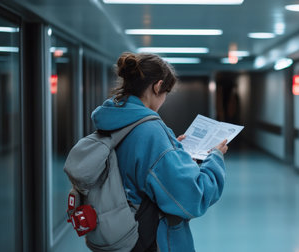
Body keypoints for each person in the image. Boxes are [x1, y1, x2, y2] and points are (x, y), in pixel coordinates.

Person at [91, 52, 228, 252]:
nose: (164, 98)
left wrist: (172, 152)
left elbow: (139, 166)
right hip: (152, 241)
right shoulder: (151, 130)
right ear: (157, 86)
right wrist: (215, 158)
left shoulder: (112, 119)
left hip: (120, 232)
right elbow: (193, 198)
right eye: (166, 92)